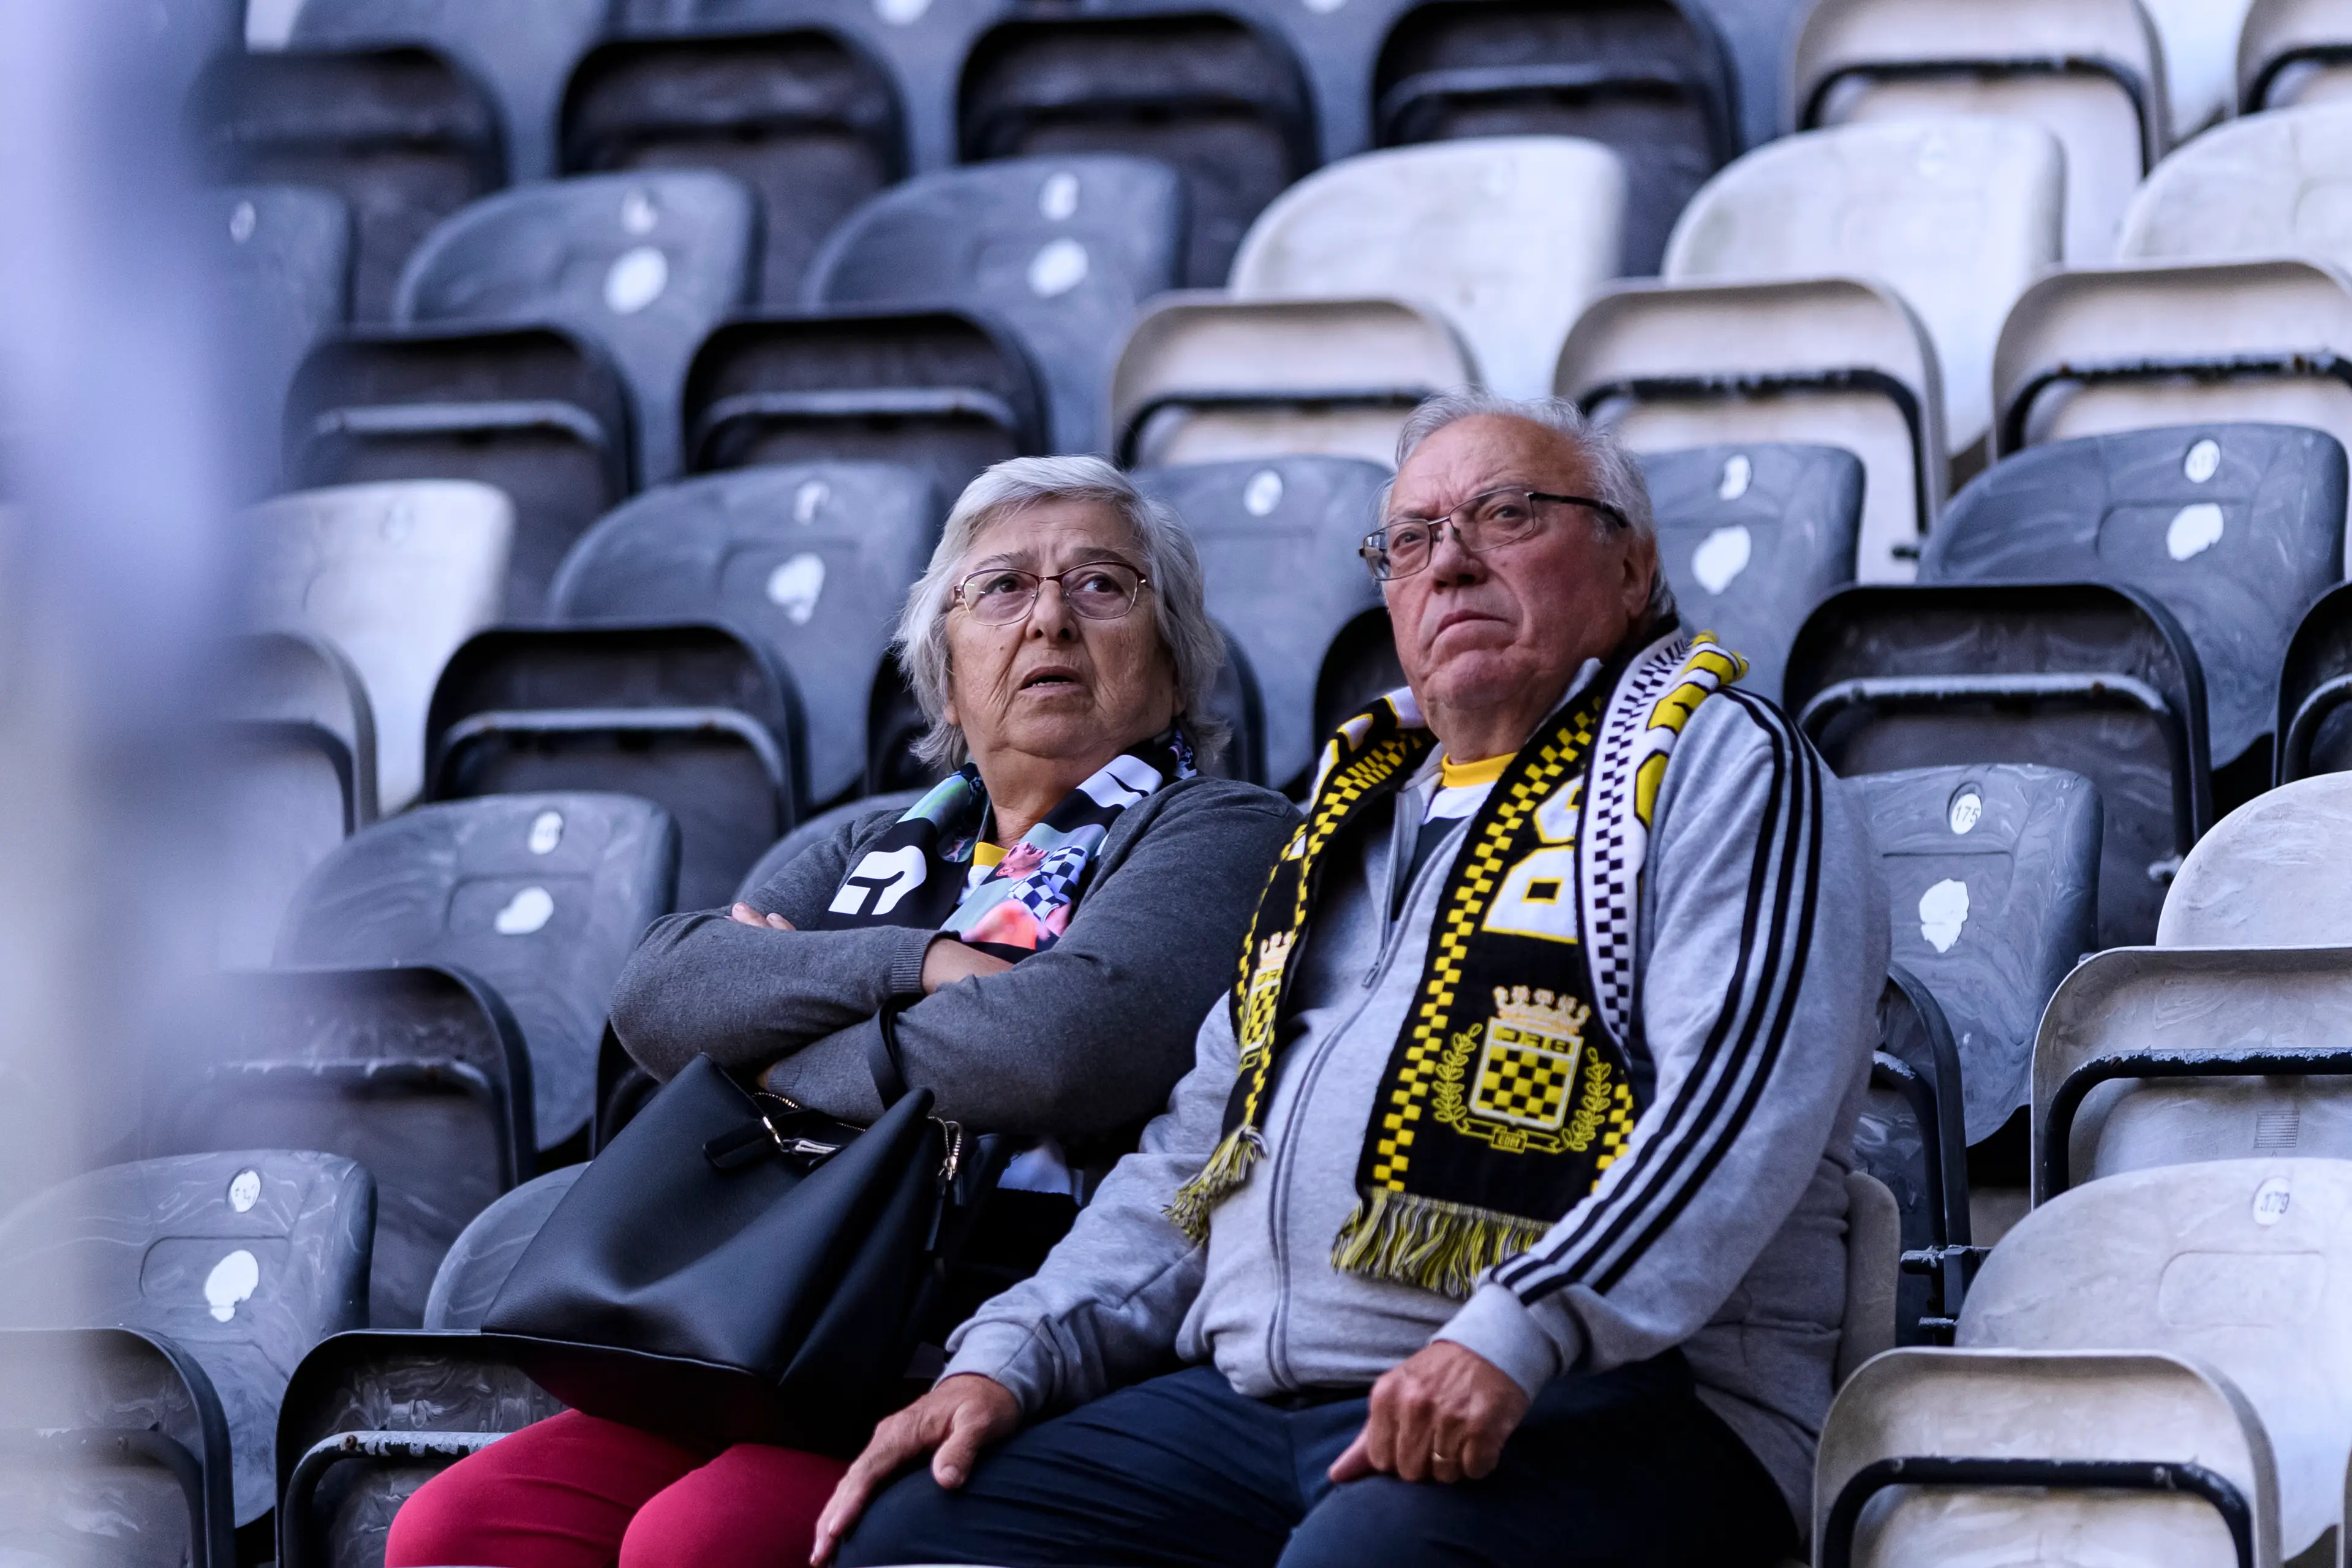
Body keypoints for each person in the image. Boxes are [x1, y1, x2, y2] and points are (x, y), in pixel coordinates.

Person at [819, 393, 1890, 1568]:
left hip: (1625, 1397)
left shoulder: (1727, 766)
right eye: (1414, 539)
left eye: (1509, 514)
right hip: (1265, 1404)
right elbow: (1195, 1162)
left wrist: (1517, 1333)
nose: (1454, 563)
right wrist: (1005, 1359)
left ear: (1632, 568)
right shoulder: (1347, 820)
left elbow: (1734, 1113)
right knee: (917, 1534)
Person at [384, 455, 1300, 1568]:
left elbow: (1065, 1051)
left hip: (987, 1330)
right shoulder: (873, 845)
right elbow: (661, 997)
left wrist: (781, 1048)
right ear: (947, 674)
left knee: (701, 1542)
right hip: (774, 1311)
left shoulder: (1222, 831)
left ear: (1173, 664)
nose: (1050, 618)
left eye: (1104, 585)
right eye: (1002, 588)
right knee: (458, 1527)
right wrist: (922, 961)